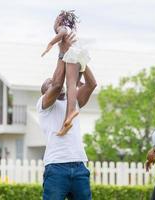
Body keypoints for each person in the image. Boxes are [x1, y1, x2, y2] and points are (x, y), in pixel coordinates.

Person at [37, 32, 97, 200]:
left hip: (80, 166)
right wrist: (63, 54)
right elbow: (56, 85)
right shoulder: (44, 106)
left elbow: (92, 84)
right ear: (44, 93)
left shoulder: (74, 101)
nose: (54, 83)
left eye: (53, 81)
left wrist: (79, 58)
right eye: (47, 84)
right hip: (56, 167)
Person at [41, 10, 90, 136]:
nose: (52, 81)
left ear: (60, 21)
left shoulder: (62, 29)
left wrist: (51, 43)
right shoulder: (69, 30)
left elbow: (61, 34)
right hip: (78, 55)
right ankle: (69, 115)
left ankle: (71, 111)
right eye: (49, 83)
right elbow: (58, 84)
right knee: (72, 82)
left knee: (71, 84)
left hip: (73, 54)